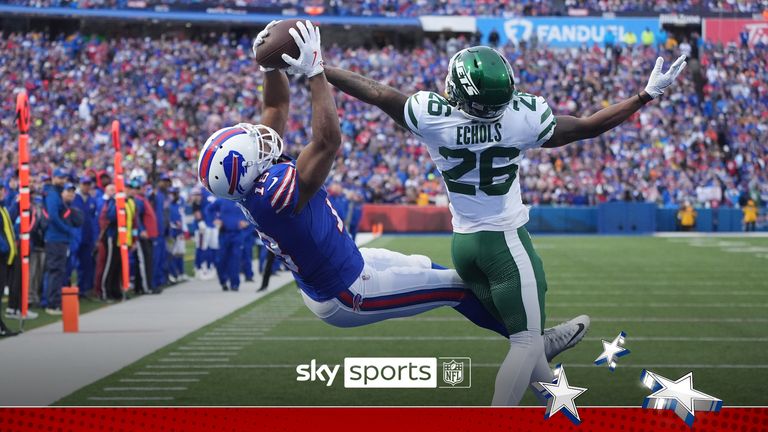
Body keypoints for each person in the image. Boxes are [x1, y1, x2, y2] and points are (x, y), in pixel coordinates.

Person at [200, 20, 585, 373]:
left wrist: (270, 66)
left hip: (344, 265)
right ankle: (534, 347)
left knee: (425, 266)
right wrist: (316, 72)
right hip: (349, 292)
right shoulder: (276, 196)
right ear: (251, 170)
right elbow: (328, 141)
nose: (261, 135)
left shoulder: (254, 182)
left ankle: (532, 345)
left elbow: (275, 107)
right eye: (254, 143)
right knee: (459, 287)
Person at [324, 46, 686, 405]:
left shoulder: (432, 117)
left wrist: (320, 68)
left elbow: (374, 91)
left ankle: (559, 409)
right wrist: (644, 95)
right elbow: (589, 127)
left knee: (527, 344)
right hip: (505, 245)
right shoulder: (520, 119)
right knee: (527, 343)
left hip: (464, 244)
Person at [43, 169, 74, 315]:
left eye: (63, 177)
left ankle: (54, 302)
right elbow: (53, 217)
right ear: (53, 178)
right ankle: (52, 304)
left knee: (58, 271)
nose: (62, 180)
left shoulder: (57, 193)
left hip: (59, 237)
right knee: (55, 271)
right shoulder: (53, 194)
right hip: (55, 238)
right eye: (59, 177)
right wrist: (67, 229)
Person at [127, 178, 159, 295]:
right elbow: (137, 217)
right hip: (144, 235)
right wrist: (141, 230)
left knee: (146, 261)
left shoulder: (142, 199)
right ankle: (147, 287)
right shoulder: (138, 200)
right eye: (137, 188)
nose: (140, 190)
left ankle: (141, 286)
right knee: (144, 262)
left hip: (148, 235)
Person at [72, 176, 97, 296]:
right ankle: (67, 291)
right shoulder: (74, 198)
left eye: (88, 184)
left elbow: (94, 219)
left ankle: (83, 290)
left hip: (88, 236)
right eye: (84, 184)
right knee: (71, 264)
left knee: (86, 264)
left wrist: (95, 237)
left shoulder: (92, 200)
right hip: (75, 236)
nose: (86, 186)